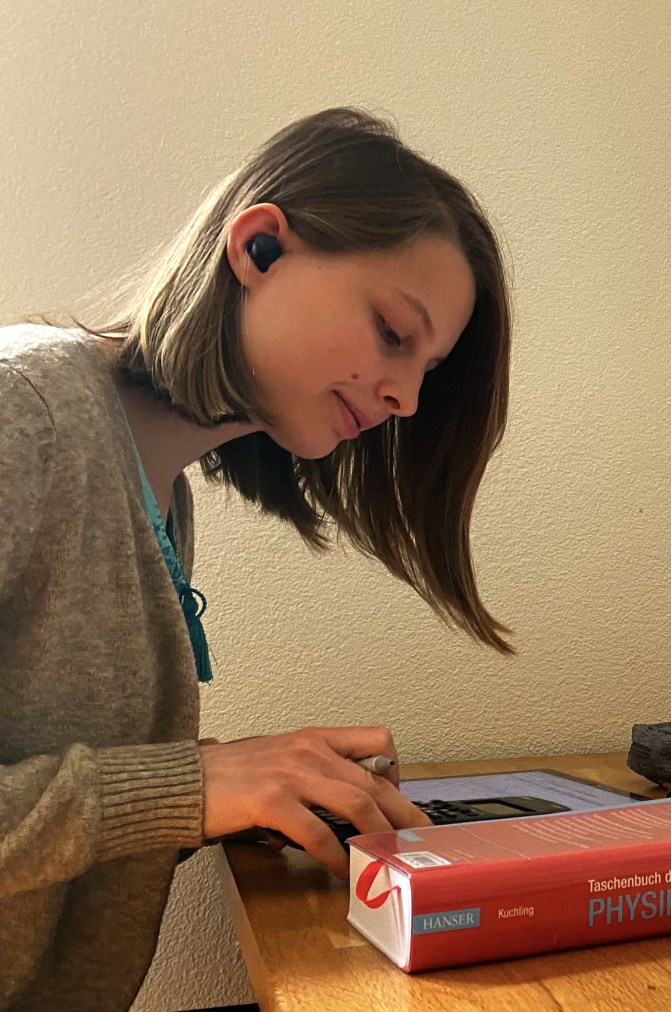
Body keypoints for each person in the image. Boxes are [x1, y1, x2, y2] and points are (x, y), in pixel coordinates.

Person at [0, 107, 515, 1010]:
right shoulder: (23, 414)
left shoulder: (158, 489)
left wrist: (245, 789)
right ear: (259, 248)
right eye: (393, 331)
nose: (404, 397)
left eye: (427, 370)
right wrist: (189, 785)